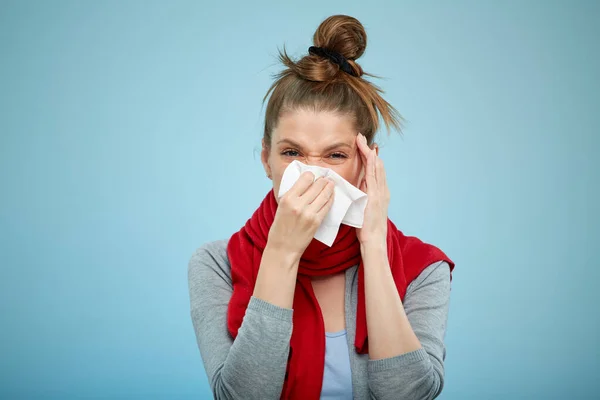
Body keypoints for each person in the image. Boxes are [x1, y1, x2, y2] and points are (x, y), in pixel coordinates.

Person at [188, 14, 455, 400]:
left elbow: (409, 395)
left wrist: (374, 246)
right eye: (291, 152)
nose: (312, 174)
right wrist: (281, 252)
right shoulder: (215, 264)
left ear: (367, 162)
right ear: (266, 160)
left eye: (335, 155)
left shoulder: (423, 269)